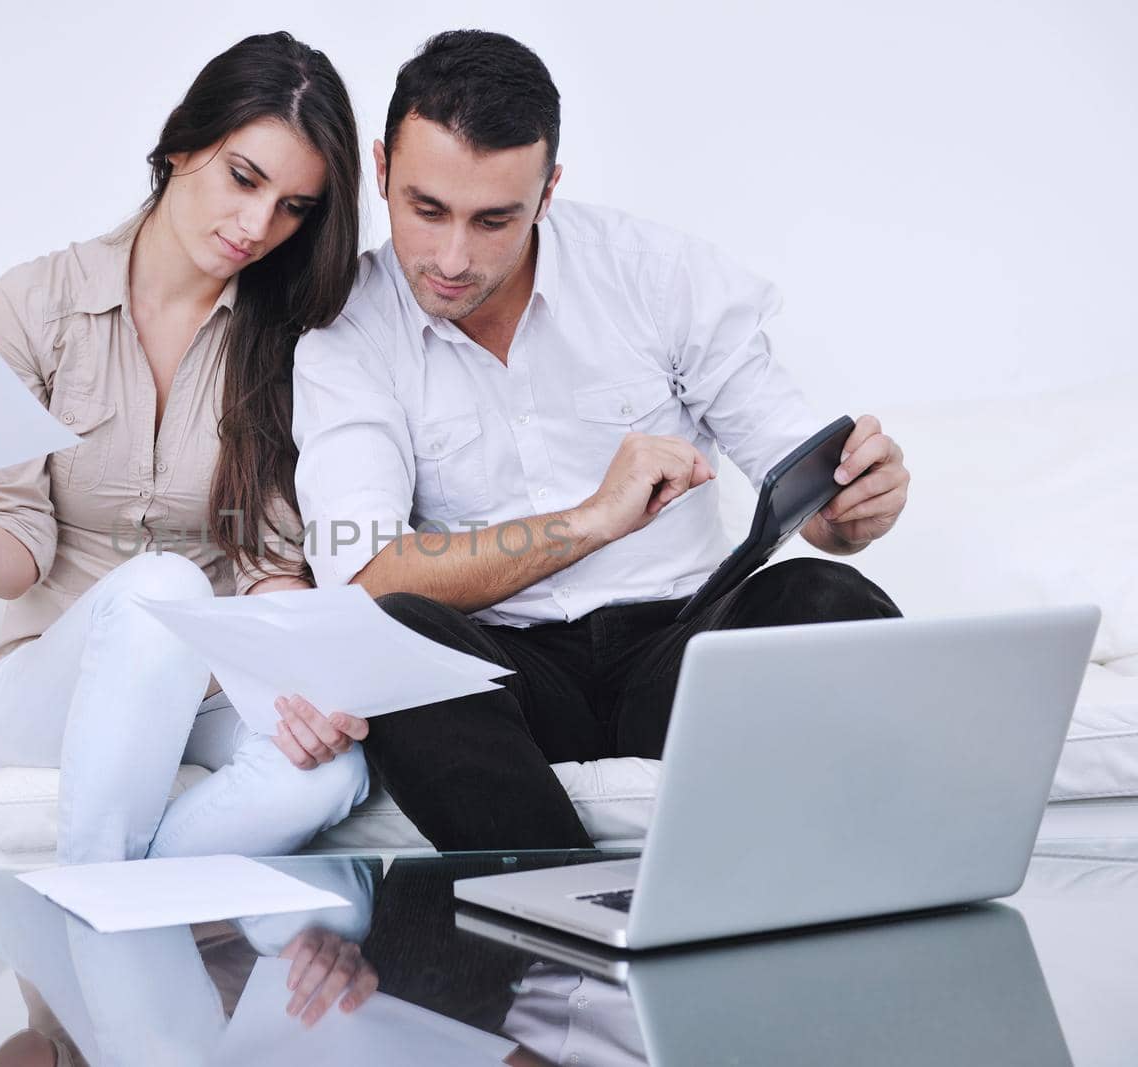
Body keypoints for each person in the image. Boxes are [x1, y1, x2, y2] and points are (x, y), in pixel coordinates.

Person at [291, 30, 909, 852]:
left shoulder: (658, 274)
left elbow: (807, 482)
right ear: (380, 170)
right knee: (393, 636)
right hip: (505, 678)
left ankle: (839, 904)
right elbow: (366, 577)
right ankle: (564, 918)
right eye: (426, 209)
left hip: (680, 651)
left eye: (493, 219)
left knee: (830, 601)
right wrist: (588, 521)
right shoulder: (348, 331)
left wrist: (852, 507)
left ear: (547, 192)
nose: (450, 257)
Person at [0, 31, 371, 863]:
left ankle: (114, 906)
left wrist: (306, 684)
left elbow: (271, 563)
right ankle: (120, 900)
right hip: (50, 688)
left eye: (293, 207)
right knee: (164, 587)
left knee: (329, 776)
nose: (258, 225)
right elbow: (18, 550)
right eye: (243, 178)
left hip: (210, 687)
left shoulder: (286, 336)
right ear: (181, 144)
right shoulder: (33, 306)